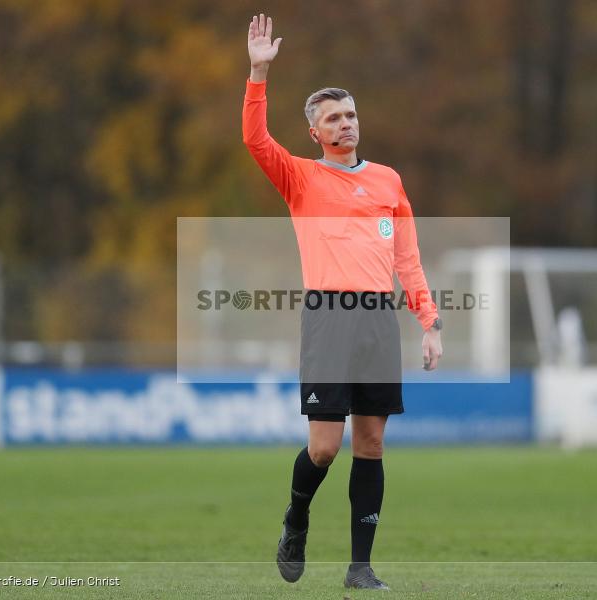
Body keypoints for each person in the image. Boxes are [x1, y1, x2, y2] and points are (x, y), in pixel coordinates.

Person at [243, 13, 443, 591]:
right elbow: (255, 140)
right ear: (316, 133)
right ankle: (296, 519)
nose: (346, 124)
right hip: (329, 319)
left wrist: (429, 321)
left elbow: (408, 258)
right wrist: (258, 73)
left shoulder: (388, 180)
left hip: (379, 320)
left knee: (372, 442)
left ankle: (360, 568)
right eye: (333, 118)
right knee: (325, 448)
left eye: (351, 114)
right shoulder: (301, 179)